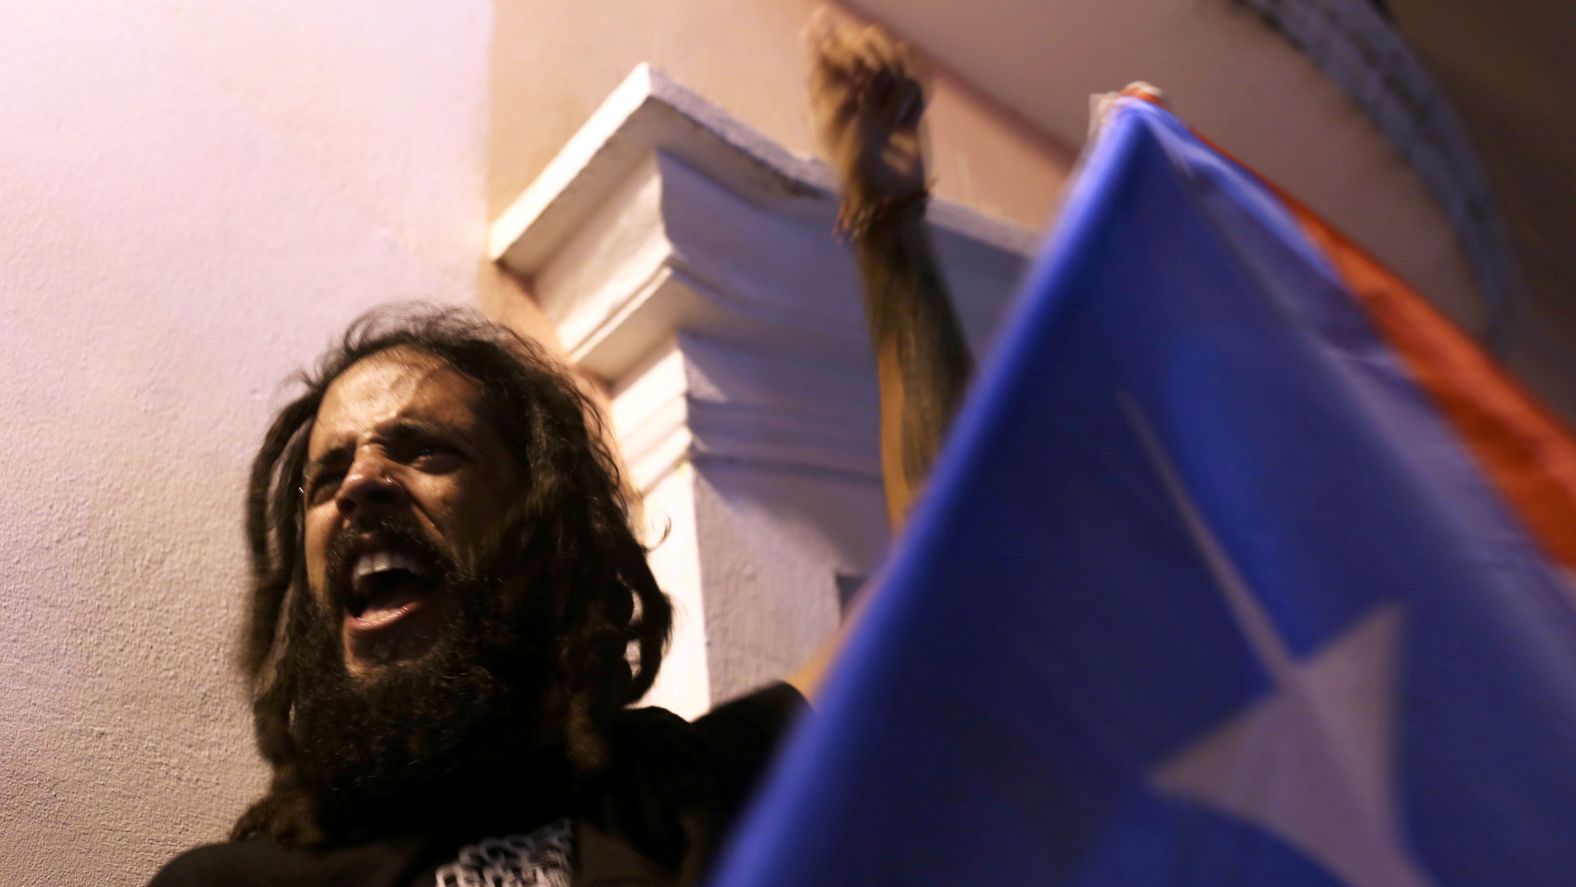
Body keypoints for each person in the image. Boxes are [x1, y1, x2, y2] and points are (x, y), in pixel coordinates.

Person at [150, 13, 971, 886]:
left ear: (542, 529)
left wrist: (890, 229)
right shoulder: (222, 883)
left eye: (424, 451)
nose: (359, 486)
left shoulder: (684, 792)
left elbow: (946, 588)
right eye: (327, 474)